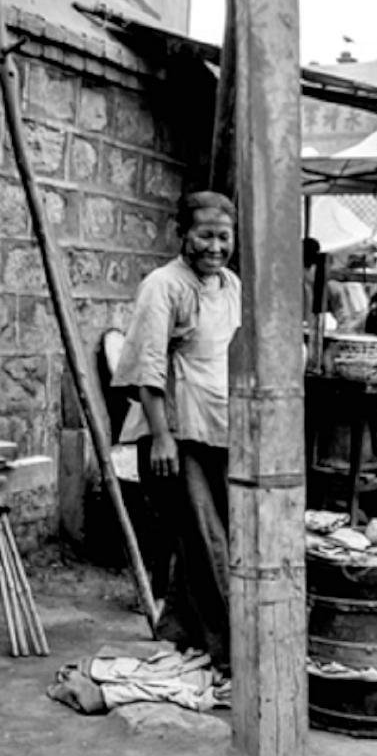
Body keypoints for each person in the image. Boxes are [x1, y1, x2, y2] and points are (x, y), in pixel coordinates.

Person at [112, 191, 241, 675]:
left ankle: (180, 637)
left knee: (207, 540)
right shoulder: (162, 286)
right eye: (204, 235)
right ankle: (232, 651)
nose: (214, 246)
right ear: (182, 234)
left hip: (219, 429)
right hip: (175, 435)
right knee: (208, 542)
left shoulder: (231, 286)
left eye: (223, 236)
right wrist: (162, 436)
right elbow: (147, 365)